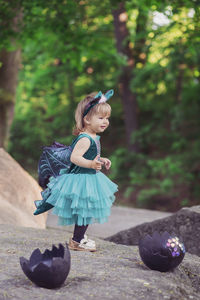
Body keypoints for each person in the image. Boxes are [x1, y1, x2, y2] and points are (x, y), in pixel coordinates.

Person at [35, 90, 118, 252]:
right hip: (81, 179)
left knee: (85, 211)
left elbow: (90, 155)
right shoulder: (85, 138)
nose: (105, 121)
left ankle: (78, 238)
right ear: (87, 119)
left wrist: (101, 160)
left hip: (88, 177)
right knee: (84, 211)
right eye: (101, 118)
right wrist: (91, 164)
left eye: (107, 118)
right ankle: (77, 241)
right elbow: (75, 157)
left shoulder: (93, 136)